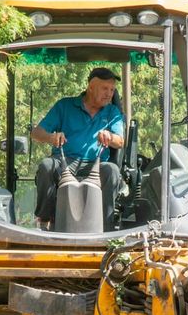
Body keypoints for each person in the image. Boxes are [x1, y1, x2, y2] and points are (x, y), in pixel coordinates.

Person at [31, 67, 126, 230]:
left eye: (112, 90)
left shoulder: (112, 112)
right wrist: (51, 137)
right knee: (46, 166)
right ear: (90, 86)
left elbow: (120, 142)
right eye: (105, 88)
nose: (109, 94)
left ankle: (107, 227)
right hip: (65, 162)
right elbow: (36, 133)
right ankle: (44, 222)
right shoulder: (65, 106)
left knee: (112, 170)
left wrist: (109, 136)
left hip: (96, 165)